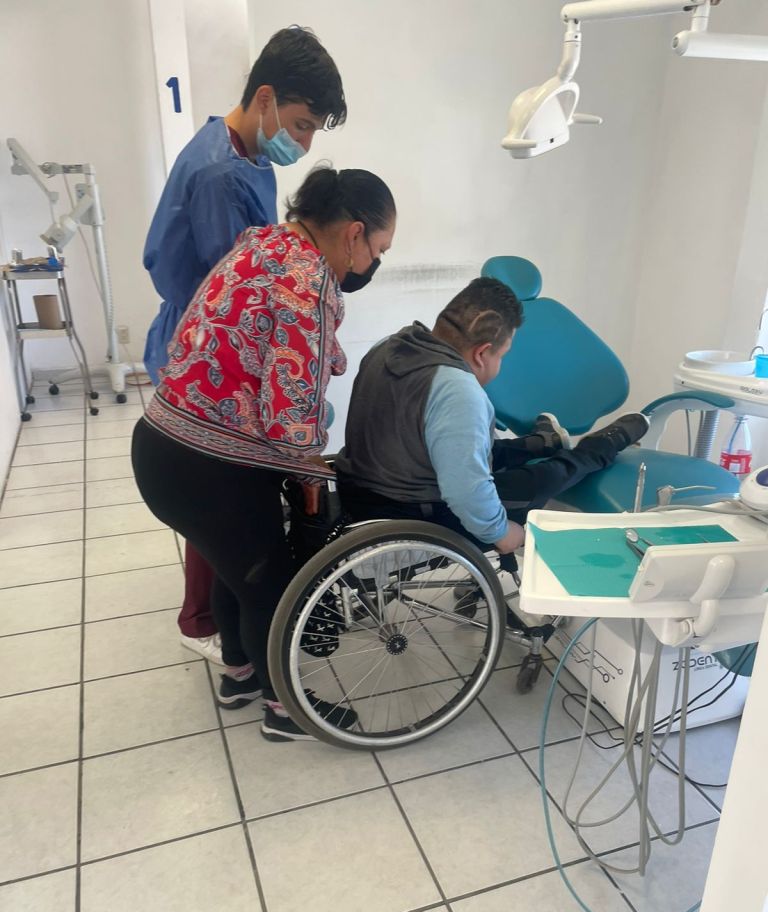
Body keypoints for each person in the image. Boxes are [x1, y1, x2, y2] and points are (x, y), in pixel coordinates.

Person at [132, 166, 396, 742]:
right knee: (269, 583)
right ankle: (286, 710)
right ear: (353, 234)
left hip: (161, 446)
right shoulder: (309, 284)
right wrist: (314, 466)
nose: (372, 263)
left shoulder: (264, 243)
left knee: (234, 569)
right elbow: (289, 419)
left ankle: (240, 677)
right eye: (377, 250)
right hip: (206, 467)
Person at [142, 26, 347, 666]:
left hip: (199, 359)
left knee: (223, 517)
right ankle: (211, 628)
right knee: (233, 526)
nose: (304, 145)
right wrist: (306, 441)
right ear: (264, 98)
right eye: (301, 124)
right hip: (208, 354)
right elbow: (241, 300)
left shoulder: (237, 152)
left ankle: (233, 652)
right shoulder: (222, 176)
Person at [334, 277, 649, 551]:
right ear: (482, 353)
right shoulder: (457, 390)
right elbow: (466, 493)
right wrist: (500, 532)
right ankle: (599, 447)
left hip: (361, 491)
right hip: (414, 512)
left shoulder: (389, 347)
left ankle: (543, 442)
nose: (500, 365)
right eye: (502, 355)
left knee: (479, 449)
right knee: (545, 477)